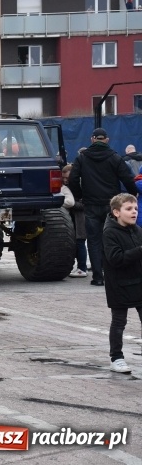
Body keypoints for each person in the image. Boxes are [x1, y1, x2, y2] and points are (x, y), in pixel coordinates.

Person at [68, 128, 137, 287]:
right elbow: (127, 179)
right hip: (111, 205)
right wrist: (132, 195)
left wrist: (79, 195)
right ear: (107, 139)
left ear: (92, 139)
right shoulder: (115, 157)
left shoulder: (82, 158)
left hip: (91, 205)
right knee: (113, 238)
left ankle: (98, 277)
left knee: (93, 241)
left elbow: (73, 179)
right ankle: (112, 274)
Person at [102, 193, 142, 374]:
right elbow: (116, 258)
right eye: (129, 209)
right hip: (119, 284)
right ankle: (116, 358)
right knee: (119, 322)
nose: (134, 212)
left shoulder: (137, 230)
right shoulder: (110, 232)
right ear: (117, 212)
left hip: (138, 281)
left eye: (135, 208)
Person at [61, 165, 87, 277]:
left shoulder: (81, 185)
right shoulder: (70, 186)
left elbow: (84, 204)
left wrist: (71, 204)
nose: (65, 180)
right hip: (73, 218)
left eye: (67, 177)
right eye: (64, 178)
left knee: (80, 242)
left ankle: (82, 268)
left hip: (80, 218)